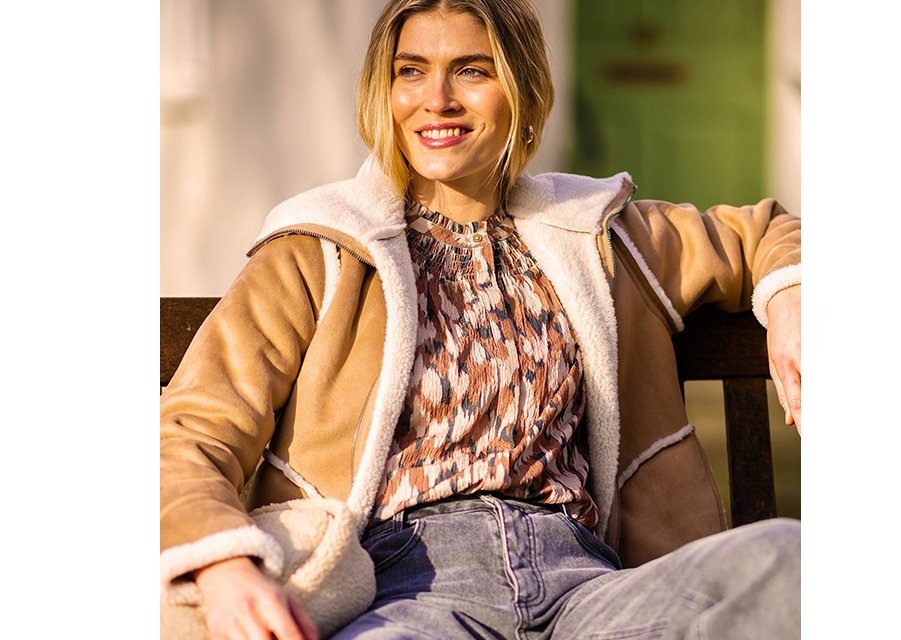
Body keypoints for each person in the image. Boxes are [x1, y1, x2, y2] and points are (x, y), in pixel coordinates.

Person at [160, 0, 801, 638]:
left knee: (786, 561)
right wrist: (223, 564)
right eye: (411, 71)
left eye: (471, 70)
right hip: (409, 594)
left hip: (589, 594)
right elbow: (191, 431)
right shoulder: (320, 250)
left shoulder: (594, 231)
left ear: (520, 88)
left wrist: (792, 298)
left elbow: (762, 232)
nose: (436, 98)